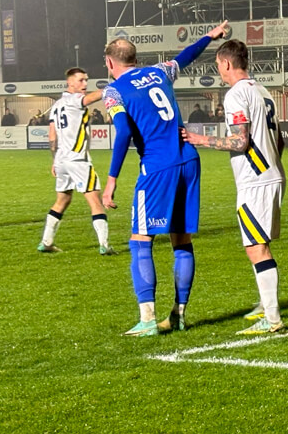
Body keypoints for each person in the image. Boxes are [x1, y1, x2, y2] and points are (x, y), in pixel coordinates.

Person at [100, 20, 229, 337]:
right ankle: (179, 314)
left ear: (109, 62)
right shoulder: (159, 71)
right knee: (181, 240)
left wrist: (112, 179)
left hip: (157, 167)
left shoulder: (114, 90)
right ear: (134, 58)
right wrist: (209, 37)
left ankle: (147, 319)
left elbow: (124, 134)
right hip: (189, 160)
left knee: (140, 240)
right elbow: (186, 56)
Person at [184, 40, 286, 335]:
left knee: (256, 248)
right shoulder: (262, 91)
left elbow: (240, 142)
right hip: (272, 173)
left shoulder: (235, 95)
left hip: (255, 181)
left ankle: (273, 317)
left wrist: (200, 139)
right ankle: (266, 307)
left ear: (226, 63)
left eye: (218, 64)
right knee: (258, 246)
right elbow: (277, 140)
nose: (218, 70)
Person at [37, 67, 116, 256]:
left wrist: (55, 161)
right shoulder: (74, 100)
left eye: (86, 80)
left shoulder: (56, 106)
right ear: (69, 83)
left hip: (62, 160)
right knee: (95, 201)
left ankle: (46, 242)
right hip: (78, 160)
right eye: (80, 80)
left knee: (62, 200)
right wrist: (115, 87)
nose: (84, 84)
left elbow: (51, 135)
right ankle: (104, 245)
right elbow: (92, 98)